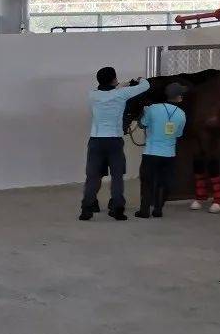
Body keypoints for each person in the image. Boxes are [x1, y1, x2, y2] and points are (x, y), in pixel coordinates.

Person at [79, 66, 150, 221]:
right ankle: (118, 209)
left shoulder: (92, 95)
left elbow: (110, 90)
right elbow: (145, 86)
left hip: (96, 140)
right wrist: (139, 79)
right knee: (117, 176)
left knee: (93, 176)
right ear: (114, 79)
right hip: (114, 141)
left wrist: (120, 84)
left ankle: (86, 209)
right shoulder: (121, 94)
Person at [135, 83, 187, 219]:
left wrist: (143, 114)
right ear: (178, 97)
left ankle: (144, 210)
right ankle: (158, 209)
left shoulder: (153, 109)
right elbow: (178, 134)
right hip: (169, 154)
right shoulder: (181, 114)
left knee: (147, 181)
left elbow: (142, 124)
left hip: (150, 152)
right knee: (164, 182)